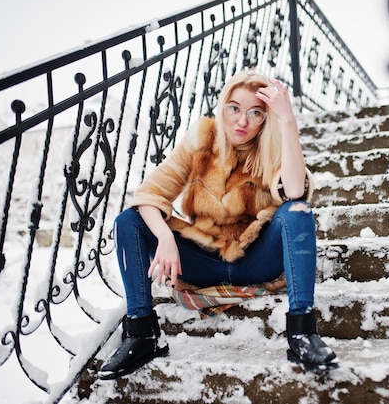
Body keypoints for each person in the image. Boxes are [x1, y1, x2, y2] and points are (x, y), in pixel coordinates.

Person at [97, 70, 339, 380]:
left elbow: (294, 191)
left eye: (255, 113)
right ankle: (142, 334)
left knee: (297, 211)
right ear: (222, 105)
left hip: (256, 260)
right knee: (129, 220)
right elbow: (150, 193)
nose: (242, 121)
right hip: (202, 260)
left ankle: (302, 333)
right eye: (234, 108)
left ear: (266, 118)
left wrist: (287, 120)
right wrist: (165, 238)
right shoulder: (202, 139)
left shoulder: (273, 146)